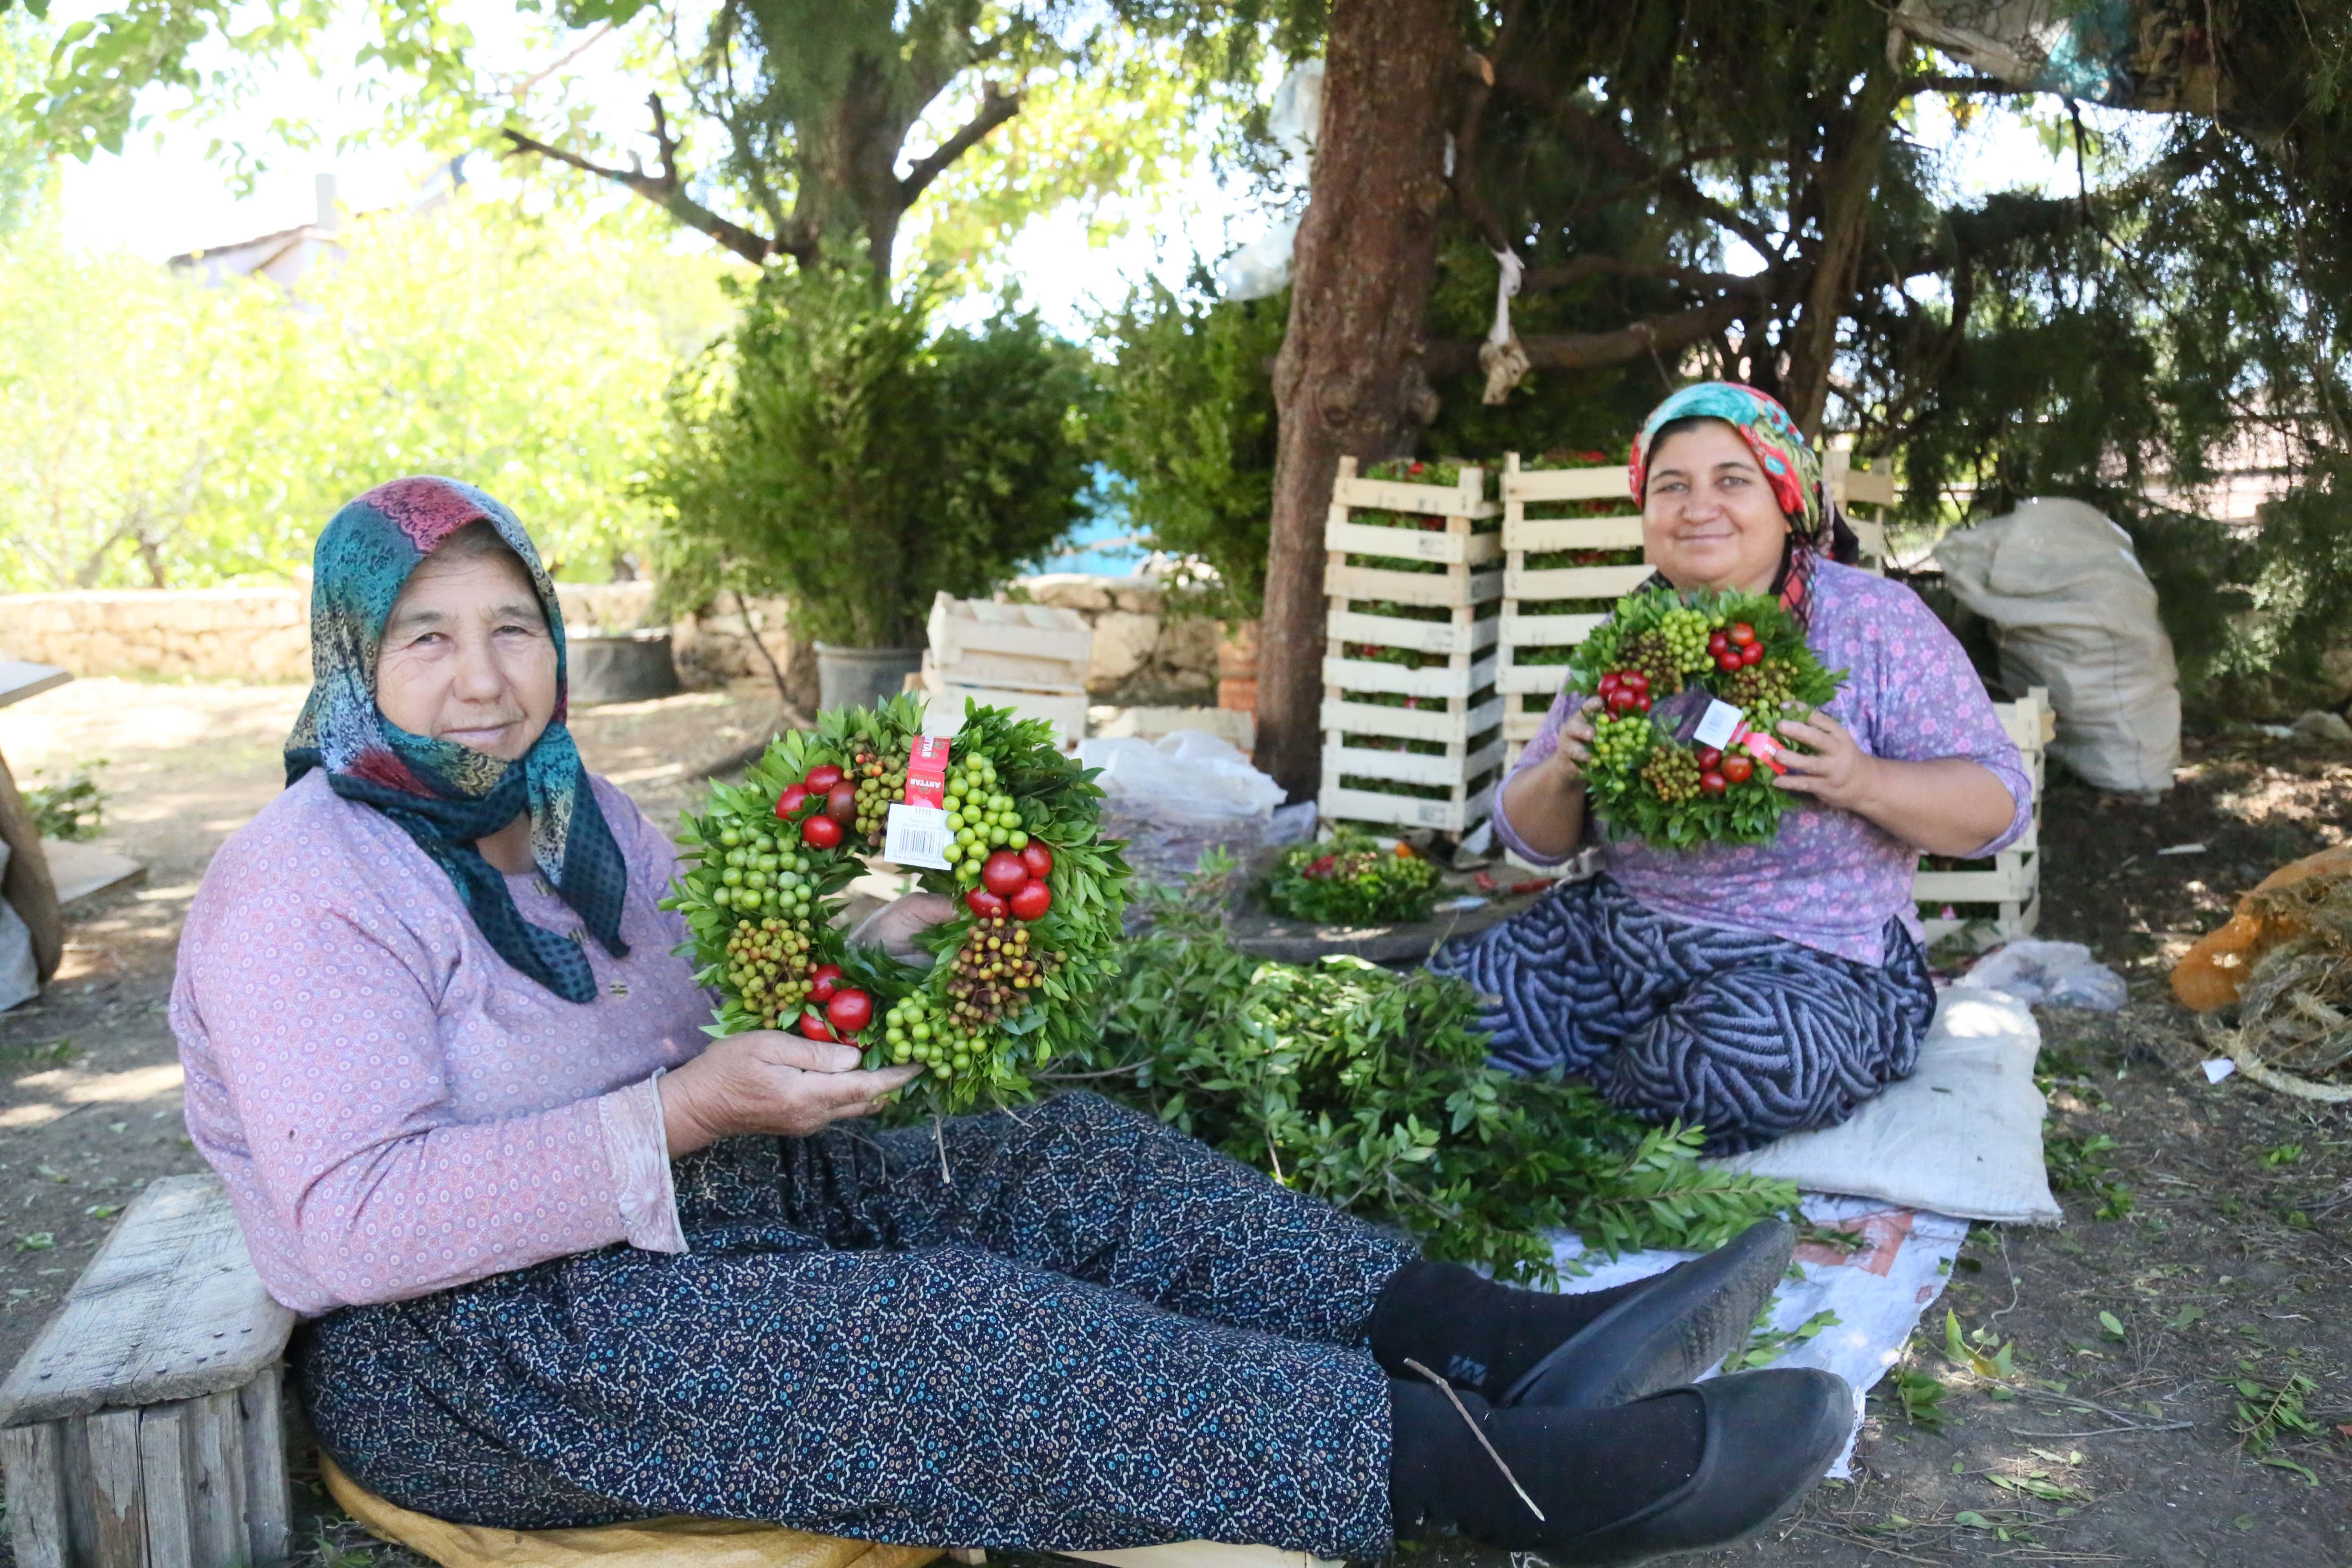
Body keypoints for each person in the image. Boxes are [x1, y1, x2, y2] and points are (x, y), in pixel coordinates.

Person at [173, 475, 1855, 1568]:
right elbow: (356, 1221)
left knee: (1049, 1161)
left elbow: (710, 979)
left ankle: (1503, 1337)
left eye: (513, 629)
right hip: (470, 1349)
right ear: (351, 660)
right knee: (943, 1331)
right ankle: (1515, 1482)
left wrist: (868, 935)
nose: (484, 678)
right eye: (427, 640)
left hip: (678, 1215)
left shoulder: (575, 811)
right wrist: (681, 1117)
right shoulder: (305, 887)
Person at [1435, 384, 2032, 1152]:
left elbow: (1999, 807)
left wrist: (1863, 780)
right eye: (1671, 486)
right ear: (1646, 509)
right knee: (1446, 1016)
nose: (1697, 507)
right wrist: (1563, 772)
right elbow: (1532, 841)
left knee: (1753, 1060)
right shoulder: (1632, 636)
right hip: (1617, 940)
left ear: (1787, 498)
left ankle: (1567, 1118)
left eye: (1732, 480)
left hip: (1817, 963)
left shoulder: (1877, 624)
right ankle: (1583, 1090)